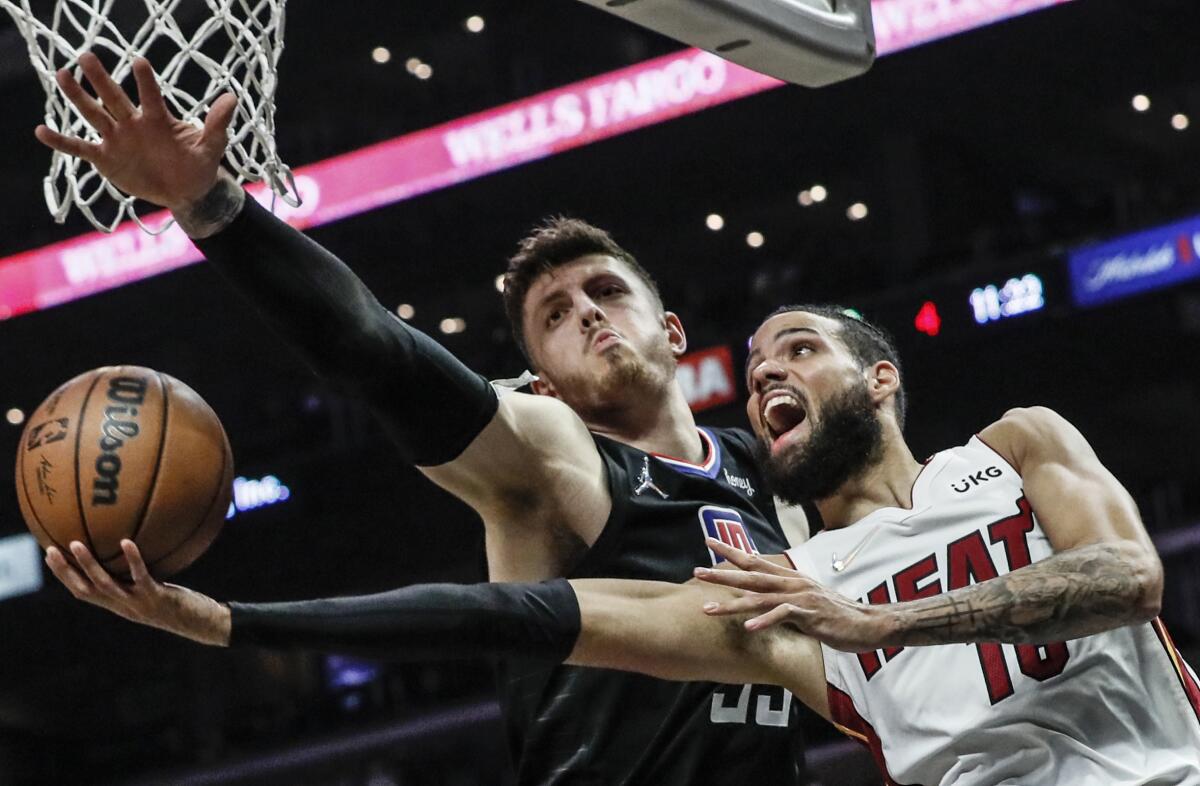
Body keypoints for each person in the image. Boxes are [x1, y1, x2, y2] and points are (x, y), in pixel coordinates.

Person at [35, 54, 812, 785]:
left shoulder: (766, 468)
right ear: (543, 382)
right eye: (555, 314)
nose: (586, 313)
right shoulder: (551, 455)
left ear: (671, 331)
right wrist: (212, 209)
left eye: (606, 292)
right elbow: (378, 350)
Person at [47, 305, 1200, 785]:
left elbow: (1127, 578)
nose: (768, 378)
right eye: (755, 375)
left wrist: (893, 623)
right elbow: (517, 619)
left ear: (881, 378)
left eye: (797, 351)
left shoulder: (1015, 447)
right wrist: (239, 623)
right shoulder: (789, 597)